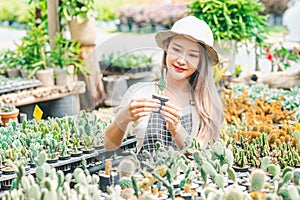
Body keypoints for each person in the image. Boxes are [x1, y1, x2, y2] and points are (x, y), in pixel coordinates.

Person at [104, 16, 224, 157]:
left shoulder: (206, 104)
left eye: (192, 55)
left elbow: (199, 156)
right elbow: (109, 145)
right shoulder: (140, 92)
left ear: (201, 61)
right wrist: (123, 117)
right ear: (166, 46)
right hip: (144, 177)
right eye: (177, 49)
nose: (181, 60)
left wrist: (176, 129)